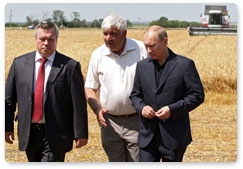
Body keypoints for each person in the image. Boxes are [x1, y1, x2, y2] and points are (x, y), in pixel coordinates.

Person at [5, 21, 88, 162]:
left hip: (56, 134)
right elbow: (9, 100)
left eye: (50, 39)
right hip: (29, 133)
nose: (46, 43)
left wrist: (81, 133)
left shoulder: (69, 67)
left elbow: (78, 103)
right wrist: (6, 126)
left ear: (56, 40)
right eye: (42, 39)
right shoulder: (19, 64)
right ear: (35, 39)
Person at [129, 25, 205, 162]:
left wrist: (172, 110)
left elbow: (197, 95)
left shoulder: (184, 65)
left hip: (174, 137)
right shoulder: (141, 66)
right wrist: (142, 108)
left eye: (152, 46)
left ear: (165, 41)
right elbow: (135, 95)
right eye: (146, 46)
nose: (148, 50)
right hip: (148, 137)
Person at [85, 14, 147, 162]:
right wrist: (97, 109)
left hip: (137, 121)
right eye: (105, 34)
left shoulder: (140, 50)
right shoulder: (98, 55)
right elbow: (89, 88)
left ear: (124, 33)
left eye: (113, 34)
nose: (108, 38)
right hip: (109, 123)